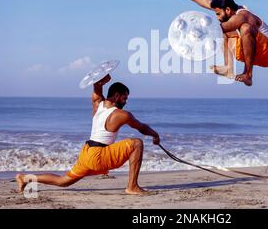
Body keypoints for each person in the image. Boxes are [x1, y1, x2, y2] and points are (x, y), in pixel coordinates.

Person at [16, 74, 160, 195]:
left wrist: (100, 82)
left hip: (87, 153)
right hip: (98, 156)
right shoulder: (122, 114)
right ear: (116, 96)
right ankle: (132, 186)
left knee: (63, 181)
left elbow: (96, 88)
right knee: (136, 143)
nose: (126, 101)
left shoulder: (98, 104)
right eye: (124, 98)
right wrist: (155, 135)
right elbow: (141, 127)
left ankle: (25, 178)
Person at [181, 0, 268, 86]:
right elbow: (207, 2)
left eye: (218, 14)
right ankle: (228, 68)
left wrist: (196, 32)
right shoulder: (228, 9)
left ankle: (248, 75)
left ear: (228, 10)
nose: (217, 17)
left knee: (245, 28)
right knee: (225, 33)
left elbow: (218, 29)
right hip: (251, 53)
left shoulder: (242, 16)